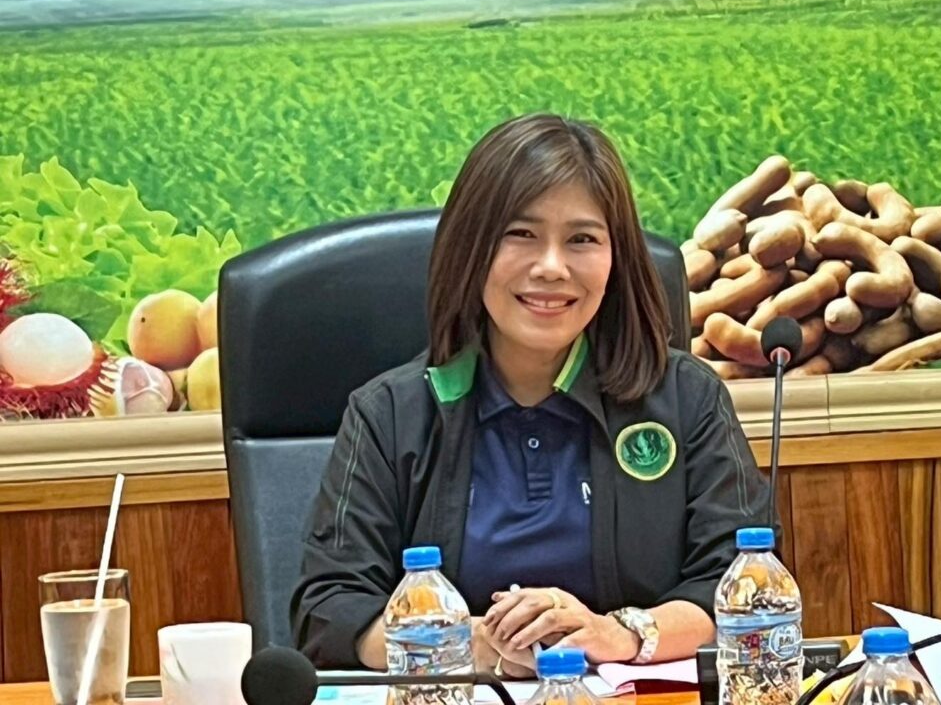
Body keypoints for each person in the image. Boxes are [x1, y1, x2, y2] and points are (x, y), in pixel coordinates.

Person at [291, 113, 771, 677]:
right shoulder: (390, 414)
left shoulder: (687, 398)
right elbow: (329, 611)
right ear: (471, 249)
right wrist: (471, 644)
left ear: (616, 258)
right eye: (520, 234)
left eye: (582, 239)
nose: (551, 267)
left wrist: (616, 633)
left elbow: (747, 587)